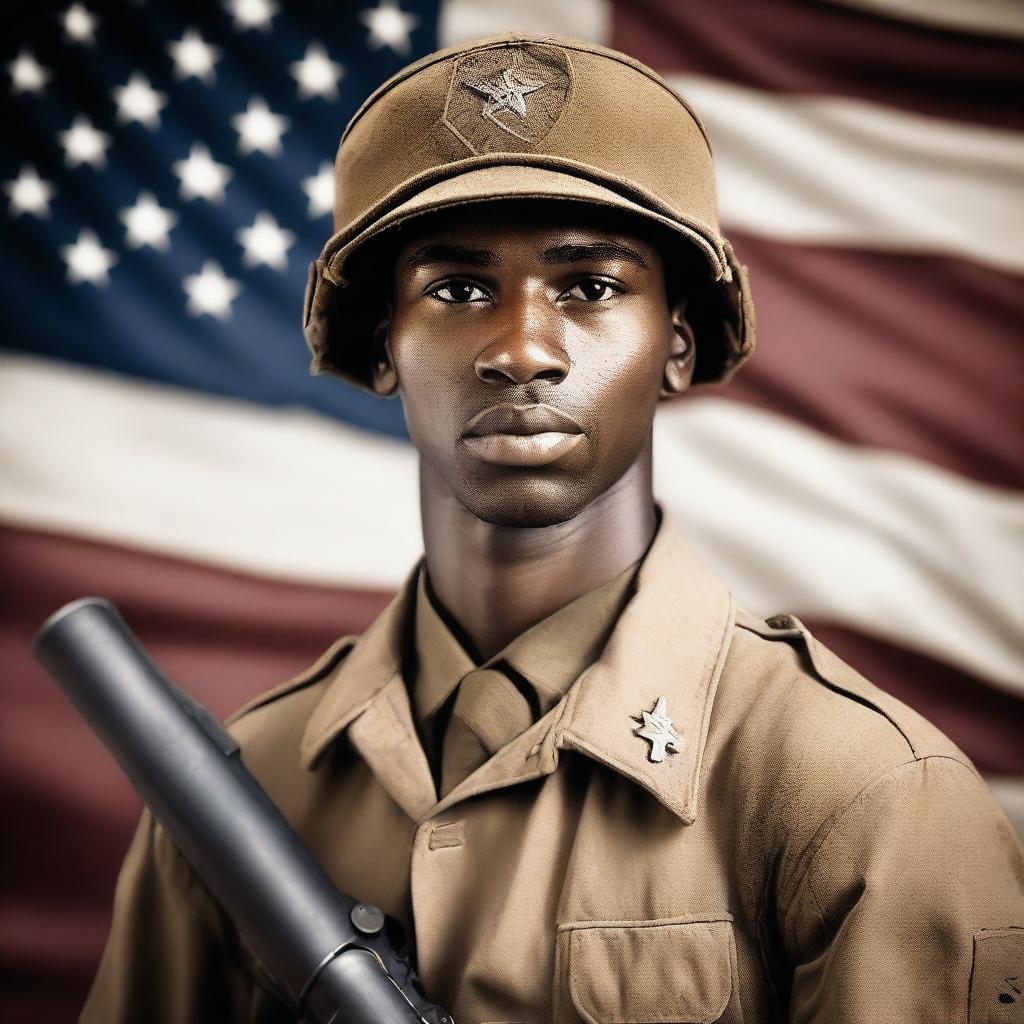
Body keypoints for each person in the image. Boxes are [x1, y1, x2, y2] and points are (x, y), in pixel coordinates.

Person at [82, 33, 1024, 1024]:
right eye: (457, 289)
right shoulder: (250, 785)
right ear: (382, 345)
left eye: (590, 286)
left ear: (677, 343)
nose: (522, 349)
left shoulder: (858, 791)